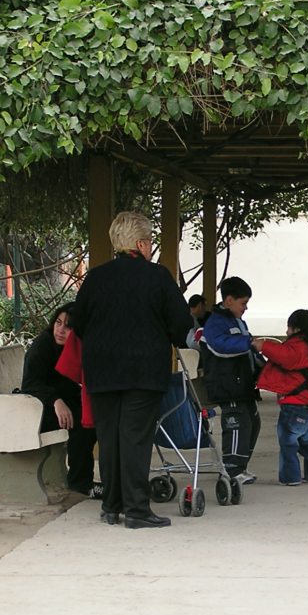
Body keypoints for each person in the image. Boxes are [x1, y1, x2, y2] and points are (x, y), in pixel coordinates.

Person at [73, 211, 191, 529]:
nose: (151, 246)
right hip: (143, 370)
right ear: (140, 243)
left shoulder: (96, 278)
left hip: (102, 370)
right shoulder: (157, 277)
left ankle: (111, 506)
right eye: (150, 241)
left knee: (109, 438)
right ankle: (137, 510)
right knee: (135, 438)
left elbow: (78, 321)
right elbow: (180, 324)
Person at [21, 303, 101, 498]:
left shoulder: (77, 347)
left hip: (63, 404)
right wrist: (56, 401)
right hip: (36, 409)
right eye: (58, 322)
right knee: (83, 425)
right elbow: (30, 383)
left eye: (68, 326)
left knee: (96, 418)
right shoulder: (44, 345)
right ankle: (80, 483)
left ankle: (96, 480)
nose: (61, 330)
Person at [253, 309, 308, 486]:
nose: (286, 332)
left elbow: (285, 356)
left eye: (289, 328)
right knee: (306, 440)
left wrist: (262, 345)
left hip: (294, 404)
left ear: (296, 329)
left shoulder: (299, 347)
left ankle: (291, 477)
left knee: (288, 441)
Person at [200, 276, 262, 485]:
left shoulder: (238, 322)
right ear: (228, 301)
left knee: (253, 422)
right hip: (227, 385)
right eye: (243, 303)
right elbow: (220, 347)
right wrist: (249, 343)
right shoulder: (215, 323)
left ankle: (240, 465)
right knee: (237, 424)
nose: (245, 308)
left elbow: (248, 350)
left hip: (242, 384)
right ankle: (231, 470)